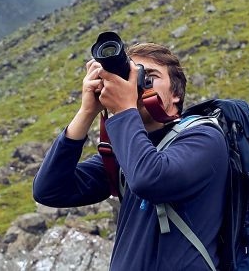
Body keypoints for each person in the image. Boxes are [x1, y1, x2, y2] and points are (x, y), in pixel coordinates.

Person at [33, 42, 229, 270]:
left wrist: (125, 108)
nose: (134, 84)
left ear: (176, 94)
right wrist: (87, 111)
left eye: (148, 77)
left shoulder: (204, 138)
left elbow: (150, 178)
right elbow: (49, 190)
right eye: (131, 75)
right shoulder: (125, 154)